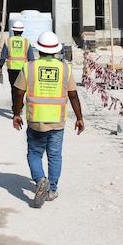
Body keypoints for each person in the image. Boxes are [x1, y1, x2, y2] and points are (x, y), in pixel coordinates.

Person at [11, 31, 84, 207]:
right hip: (57, 121)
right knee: (55, 155)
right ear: (56, 50)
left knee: (34, 153)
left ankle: (39, 179)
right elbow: (73, 95)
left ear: (39, 50)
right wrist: (79, 118)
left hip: (36, 120)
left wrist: (17, 114)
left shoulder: (29, 67)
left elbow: (19, 92)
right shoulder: (65, 68)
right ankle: (52, 189)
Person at [0, 20, 35, 86]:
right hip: (23, 69)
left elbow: (3, 57)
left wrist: (0, 67)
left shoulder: (8, 41)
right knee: (21, 89)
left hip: (12, 69)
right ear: (22, 31)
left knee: (13, 88)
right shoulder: (26, 42)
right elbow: (31, 58)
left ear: (13, 31)